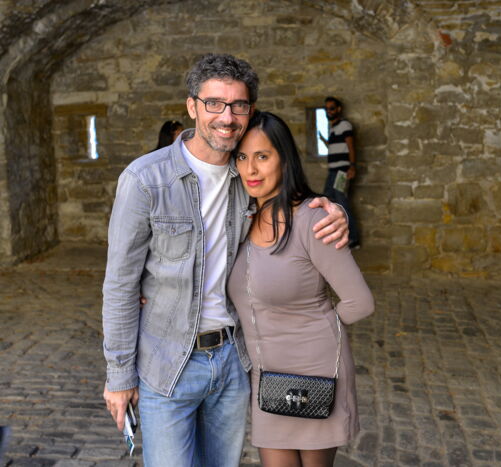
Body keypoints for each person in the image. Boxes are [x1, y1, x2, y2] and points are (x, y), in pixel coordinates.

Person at [101, 54, 349, 467]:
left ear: (250, 109)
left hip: (234, 361)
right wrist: (119, 375)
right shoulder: (145, 180)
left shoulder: (247, 177)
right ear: (192, 106)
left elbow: (294, 202)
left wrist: (333, 210)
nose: (227, 117)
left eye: (238, 105)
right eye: (214, 103)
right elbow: (120, 285)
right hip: (167, 363)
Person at [227, 111, 374, 467]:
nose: (251, 169)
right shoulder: (240, 218)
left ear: (284, 159)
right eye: (242, 157)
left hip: (315, 373)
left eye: (263, 156)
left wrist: (310, 326)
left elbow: (359, 302)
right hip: (266, 376)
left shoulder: (312, 220)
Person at [319, 96, 360, 249]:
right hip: (332, 172)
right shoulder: (333, 128)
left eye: (331, 108)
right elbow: (335, 146)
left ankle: (353, 239)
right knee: (328, 201)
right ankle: (336, 236)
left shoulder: (344, 125)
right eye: (326, 109)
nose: (328, 111)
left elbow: (351, 146)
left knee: (342, 203)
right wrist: (324, 140)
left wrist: (352, 166)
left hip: (342, 171)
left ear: (338, 109)